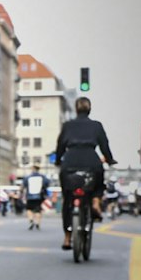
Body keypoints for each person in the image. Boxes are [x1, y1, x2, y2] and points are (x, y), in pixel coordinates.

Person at [53, 97, 115, 250]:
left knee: (68, 199)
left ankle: (67, 237)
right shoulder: (96, 125)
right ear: (89, 109)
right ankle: (95, 201)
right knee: (99, 180)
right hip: (91, 161)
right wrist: (109, 159)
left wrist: (58, 160)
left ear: (76, 109)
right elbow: (104, 145)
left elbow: (60, 145)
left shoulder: (68, 125)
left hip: (70, 162)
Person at [21, 163, 50, 230]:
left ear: (32, 169)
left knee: (29, 209)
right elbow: (47, 184)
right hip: (39, 196)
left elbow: (23, 186)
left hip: (29, 196)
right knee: (38, 210)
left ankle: (31, 220)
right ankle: (37, 222)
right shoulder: (43, 177)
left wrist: (21, 192)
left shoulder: (28, 177)